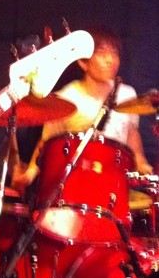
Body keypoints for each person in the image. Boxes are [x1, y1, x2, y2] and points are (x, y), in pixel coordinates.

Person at [12, 25, 154, 194]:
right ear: (83, 62)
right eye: (102, 53)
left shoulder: (127, 94)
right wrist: (29, 174)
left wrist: (141, 160)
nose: (111, 60)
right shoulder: (66, 99)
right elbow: (46, 143)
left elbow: (131, 132)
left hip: (114, 186)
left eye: (115, 53)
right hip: (76, 186)